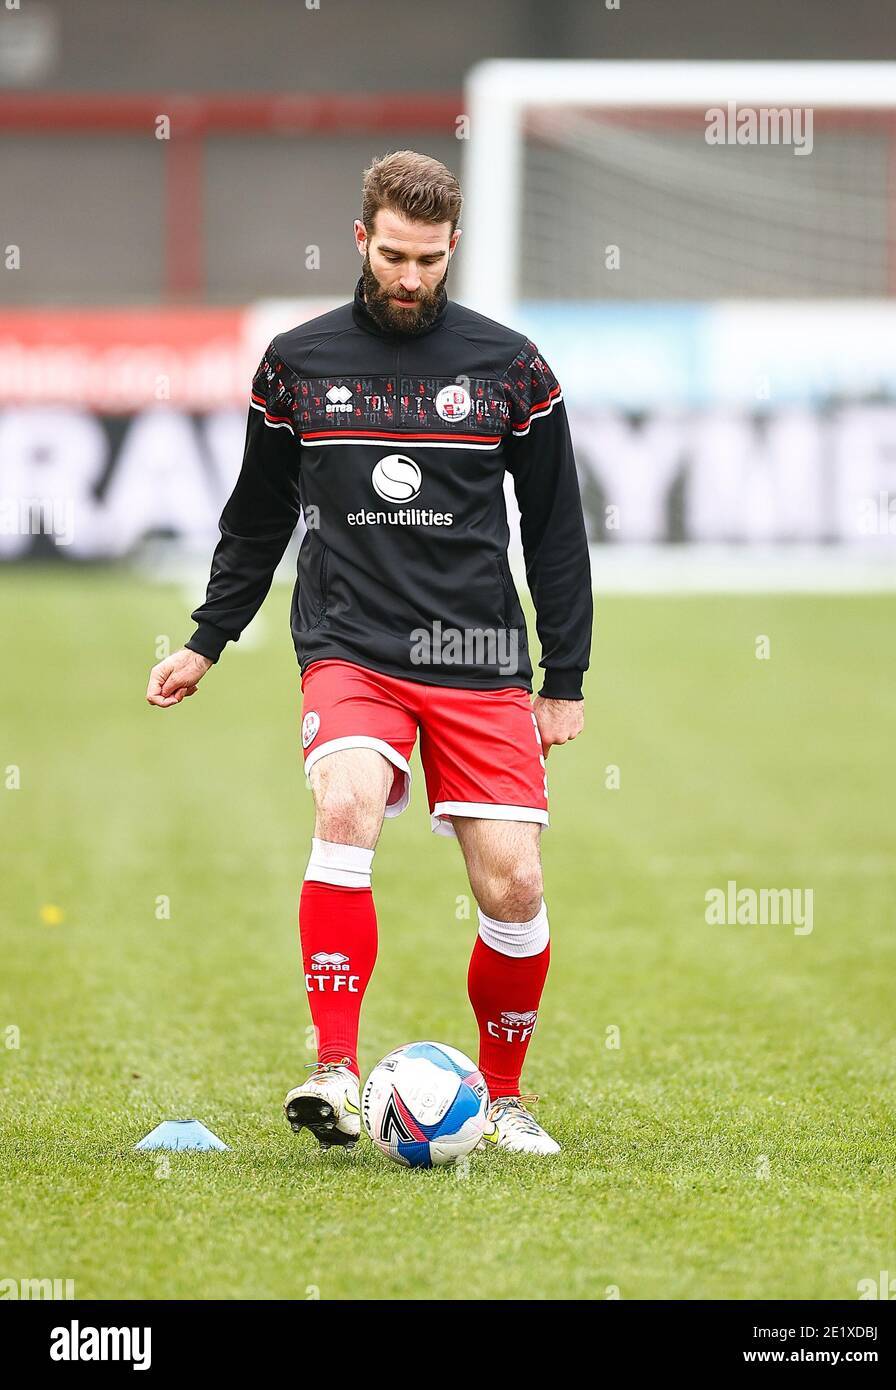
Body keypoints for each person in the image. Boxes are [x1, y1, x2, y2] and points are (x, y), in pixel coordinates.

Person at [147, 150, 592, 1156]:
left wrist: (562, 679)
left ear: (452, 249)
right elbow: (256, 517)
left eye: (429, 260)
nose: (409, 277)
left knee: (512, 886)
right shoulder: (296, 364)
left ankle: (507, 1096)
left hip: (477, 653)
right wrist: (207, 639)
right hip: (351, 644)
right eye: (393, 254)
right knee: (344, 802)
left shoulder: (511, 369)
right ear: (361, 239)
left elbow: (555, 527)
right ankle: (335, 1073)